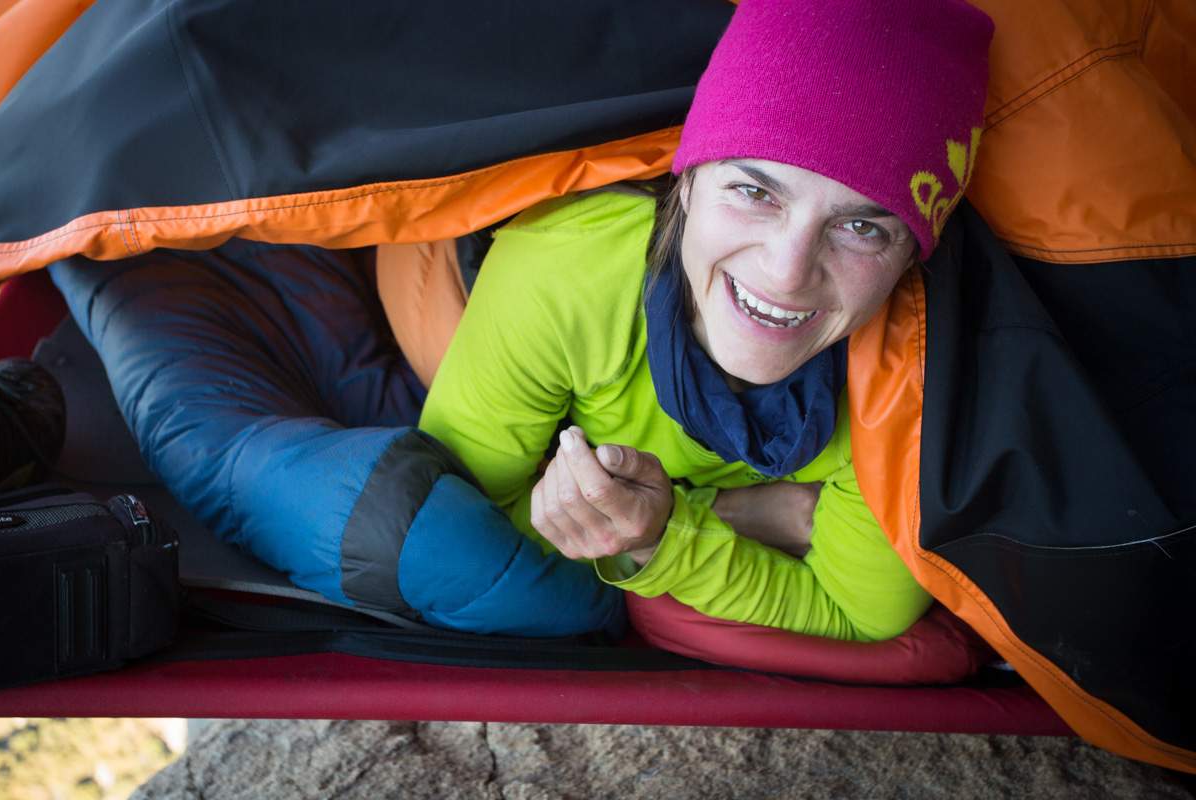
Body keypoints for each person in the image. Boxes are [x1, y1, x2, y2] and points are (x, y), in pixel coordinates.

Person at [415, 0, 995, 642]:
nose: (786, 273)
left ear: (911, 257)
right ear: (687, 182)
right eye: (754, 192)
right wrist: (739, 515)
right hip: (464, 278)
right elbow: (460, 522)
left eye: (861, 227)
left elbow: (857, 613)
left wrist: (661, 532)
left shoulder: (905, 384)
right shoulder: (564, 273)